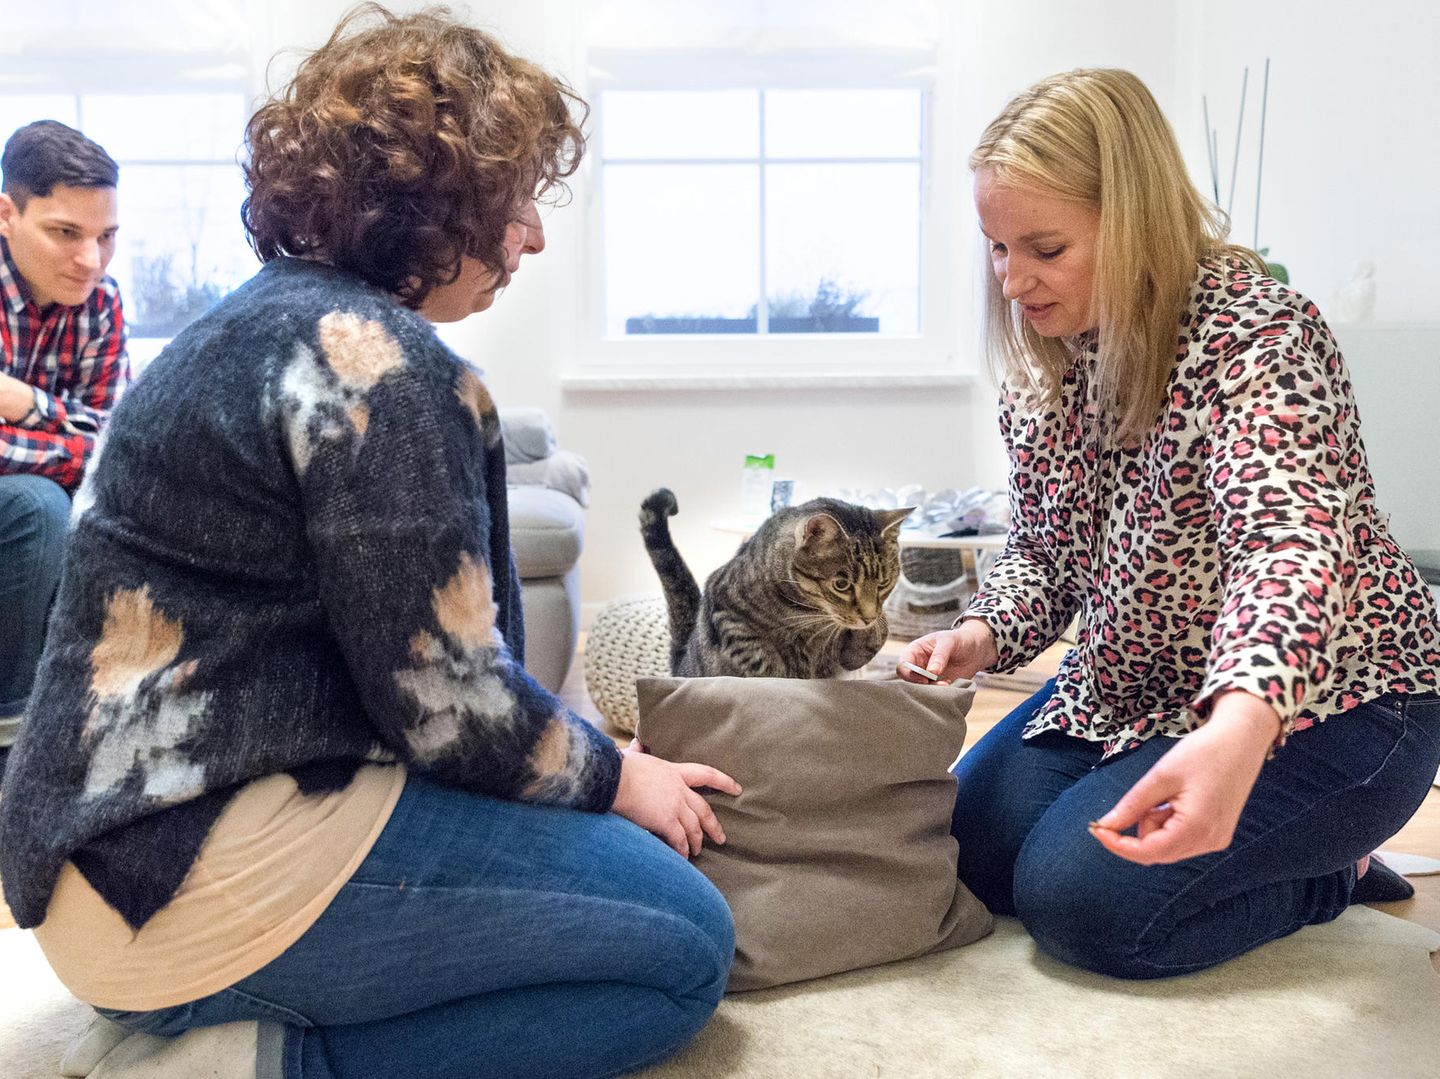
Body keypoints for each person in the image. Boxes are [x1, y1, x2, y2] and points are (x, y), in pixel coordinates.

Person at [0, 6, 739, 1077]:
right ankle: (245, 1061)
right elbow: (448, 709)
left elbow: (401, 667)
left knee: (602, 853)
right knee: (683, 949)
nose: (532, 235)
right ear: (443, 198)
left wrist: (589, 762)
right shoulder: (379, 370)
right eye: (519, 199)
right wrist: (618, 779)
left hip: (101, 863)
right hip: (186, 877)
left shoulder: (245, 323)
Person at [899, 68, 1440, 980]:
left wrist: (1239, 726)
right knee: (968, 851)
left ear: (1140, 217)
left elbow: (1288, 543)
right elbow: (1045, 550)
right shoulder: (1051, 362)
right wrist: (982, 631)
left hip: (1329, 705)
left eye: (1044, 247)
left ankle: (1330, 874)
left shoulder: (1260, 340)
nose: (1012, 280)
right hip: (1138, 692)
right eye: (996, 248)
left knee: (1083, 901)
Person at [0, 119, 127, 749]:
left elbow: (112, 443)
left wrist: (27, 406)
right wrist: (76, 443)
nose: (91, 261)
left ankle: (89, 725)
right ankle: (11, 735)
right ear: (6, 214)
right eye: (65, 233)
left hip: (44, 470)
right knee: (37, 505)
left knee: (119, 509)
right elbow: (92, 447)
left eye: (107, 237)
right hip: (26, 503)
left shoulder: (102, 302)